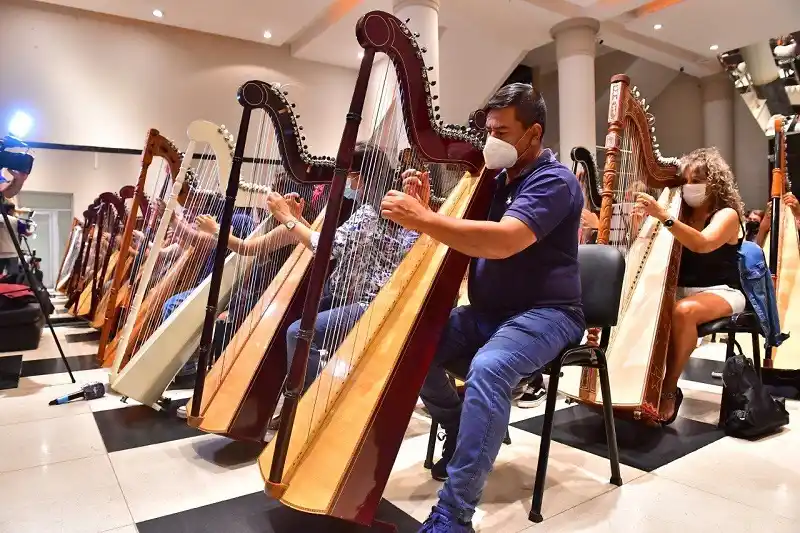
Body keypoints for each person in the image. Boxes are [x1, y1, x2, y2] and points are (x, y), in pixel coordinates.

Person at [380, 83, 585, 533]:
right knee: (411, 340)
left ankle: (454, 515)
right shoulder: (492, 182)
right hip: (488, 314)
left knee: (489, 370)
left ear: (534, 133)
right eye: (488, 128)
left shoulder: (554, 181)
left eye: (502, 130)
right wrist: (430, 209)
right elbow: (465, 231)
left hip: (548, 313)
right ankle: (457, 423)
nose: (491, 138)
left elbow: (505, 241)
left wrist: (424, 219)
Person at [267, 142, 420, 397]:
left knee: (297, 333)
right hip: (346, 293)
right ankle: (296, 393)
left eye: (349, 177)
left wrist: (287, 218)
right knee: (283, 317)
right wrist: (299, 220)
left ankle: (310, 402)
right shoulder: (374, 209)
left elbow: (329, 248)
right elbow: (334, 242)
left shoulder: (374, 212)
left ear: (360, 177)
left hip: (368, 303)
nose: (348, 183)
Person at [634, 147, 746, 424]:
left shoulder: (726, 215)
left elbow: (703, 243)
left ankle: (668, 388)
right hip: (682, 291)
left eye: (696, 180)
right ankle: (636, 387)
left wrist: (663, 217)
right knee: (645, 304)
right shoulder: (678, 212)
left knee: (684, 312)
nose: (689, 187)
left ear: (714, 183)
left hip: (721, 291)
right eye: (684, 181)